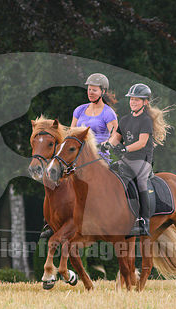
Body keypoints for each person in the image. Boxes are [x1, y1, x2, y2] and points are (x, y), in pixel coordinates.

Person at [40, 73, 118, 239]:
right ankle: (51, 221)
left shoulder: (108, 113)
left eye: (94, 90)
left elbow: (114, 135)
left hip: (99, 157)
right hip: (76, 157)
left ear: (102, 92)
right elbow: (71, 133)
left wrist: (107, 144)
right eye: (89, 89)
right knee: (54, 178)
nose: (90, 92)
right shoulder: (80, 110)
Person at [107, 83, 171, 236]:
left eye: (137, 100)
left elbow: (142, 143)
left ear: (145, 102)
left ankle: (144, 221)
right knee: (108, 175)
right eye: (131, 99)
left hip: (142, 161)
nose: (133, 102)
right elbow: (115, 138)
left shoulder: (145, 120)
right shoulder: (124, 120)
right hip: (125, 160)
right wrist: (104, 146)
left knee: (141, 182)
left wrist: (125, 148)